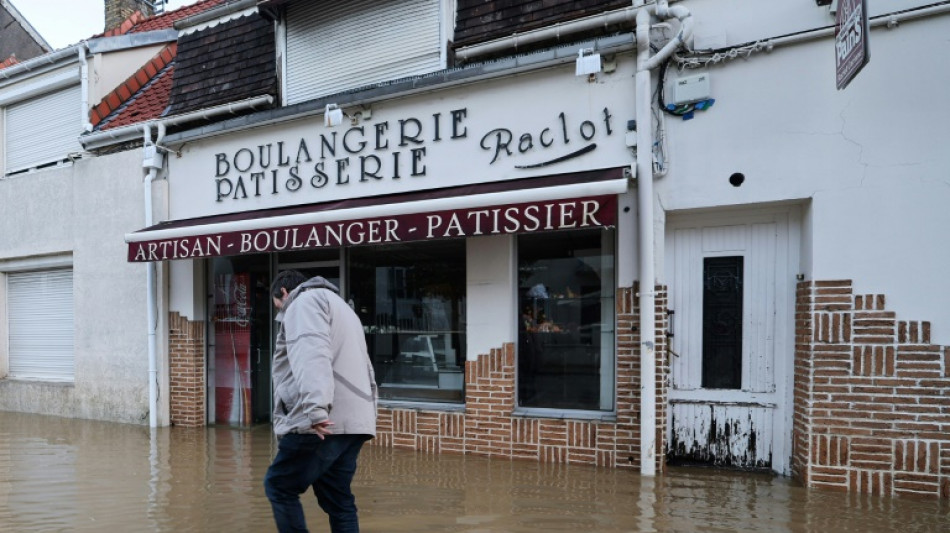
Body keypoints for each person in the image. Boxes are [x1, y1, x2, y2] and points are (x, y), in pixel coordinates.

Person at [264, 270, 378, 533]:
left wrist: (315, 409)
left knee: (279, 486)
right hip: (353, 422)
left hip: (322, 422)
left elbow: (311, 353)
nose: (281, 314)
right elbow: (366, 365)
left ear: (283, 293)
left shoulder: (302, 303)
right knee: (338, 501)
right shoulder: (344, 308)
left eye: (278, 307)